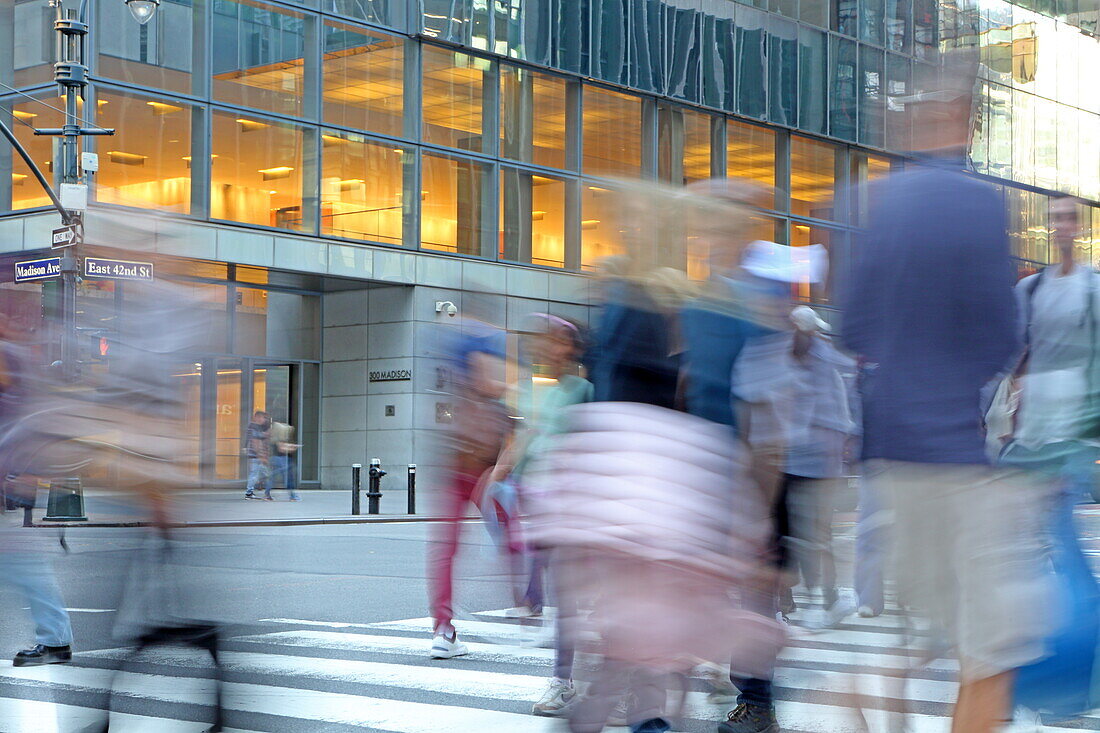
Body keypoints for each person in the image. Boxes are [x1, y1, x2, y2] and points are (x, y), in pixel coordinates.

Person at [840, 49, 1050, 733]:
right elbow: (1001, 335)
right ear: (961, 117)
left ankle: (860, 692)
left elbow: (852, 326)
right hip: (956, 454)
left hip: (889, 456)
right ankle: (854, 695)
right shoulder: (980, 204)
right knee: (992, 651)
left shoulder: (874, 201)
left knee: (932, 627)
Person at [489, 313, 592, 716]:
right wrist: (498, 474)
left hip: (577, 507)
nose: (547, 348)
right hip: (541, 505)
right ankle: (564, 680)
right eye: (541, 341)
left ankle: (584, 678)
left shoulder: (584, 390)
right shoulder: (529, 391)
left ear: (572, 348)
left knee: (577, 597)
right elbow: (522, 437)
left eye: (556, 341)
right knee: (563, 596)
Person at [428, 301, 513, 659]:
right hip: (479, 466)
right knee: (511, 533)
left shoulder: (456, 366)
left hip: (461, 464)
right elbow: (494, 393)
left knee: (446, 547)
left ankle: (444, 629)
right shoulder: (488, 346)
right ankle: (528, 607)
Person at [779, 305, 856, 625]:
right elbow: (841, 415)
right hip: (819, 464)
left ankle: (783, 601)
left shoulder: (778, 356)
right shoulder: (828, 360)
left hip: (784, 459)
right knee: (819, 535)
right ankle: (826, 598)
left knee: (783, 533)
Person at [268, 420, 300, 501]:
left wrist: (291, 446)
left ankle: (267, 495)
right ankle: (293, 496)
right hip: (282, 459)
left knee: (273, 478)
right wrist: (292, 448)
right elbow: (282, 449)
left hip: (276, 459)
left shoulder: (275, 439)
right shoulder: (279, 439)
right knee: (289, 478)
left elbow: (281, 447)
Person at [243, 410, 271, 500]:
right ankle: (249, 493)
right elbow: (256, 441)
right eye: (263, 417)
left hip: (256, 455)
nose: (264, 420)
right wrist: (261, 455)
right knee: (255, 474)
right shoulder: (254, 427)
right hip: (256, 455)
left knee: (263, 473)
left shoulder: (253, 427)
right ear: (257, 417)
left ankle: (258, 490)